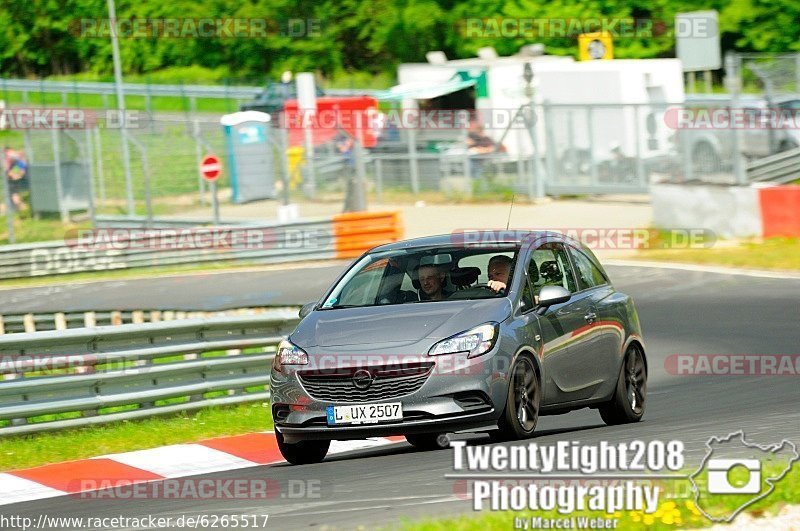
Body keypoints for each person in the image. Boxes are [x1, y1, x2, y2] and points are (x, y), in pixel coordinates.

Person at [4, 146, 28, 212]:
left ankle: (21, 207)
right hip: (14, 176)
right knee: (13, 191)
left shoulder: (14, 158)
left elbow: (20, 167)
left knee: (14, 191)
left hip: (18, 175)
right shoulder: (11, 157)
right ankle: (19, 207)